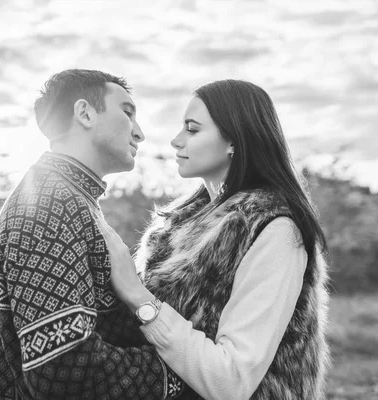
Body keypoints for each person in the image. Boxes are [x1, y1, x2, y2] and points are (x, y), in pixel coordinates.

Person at [97, 79, 331, 400]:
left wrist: (139, 297)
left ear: (233, 140)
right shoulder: (176, 225)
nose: (176, 141)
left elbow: (231, 381)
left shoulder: (273, 229)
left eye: (192, 130)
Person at [0, 69, 185, 399]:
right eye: (127, 112)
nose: (140, 133)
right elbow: (64, 370)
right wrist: (186, 370)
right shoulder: (49, 206)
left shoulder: (69, 197)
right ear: (85, 113)